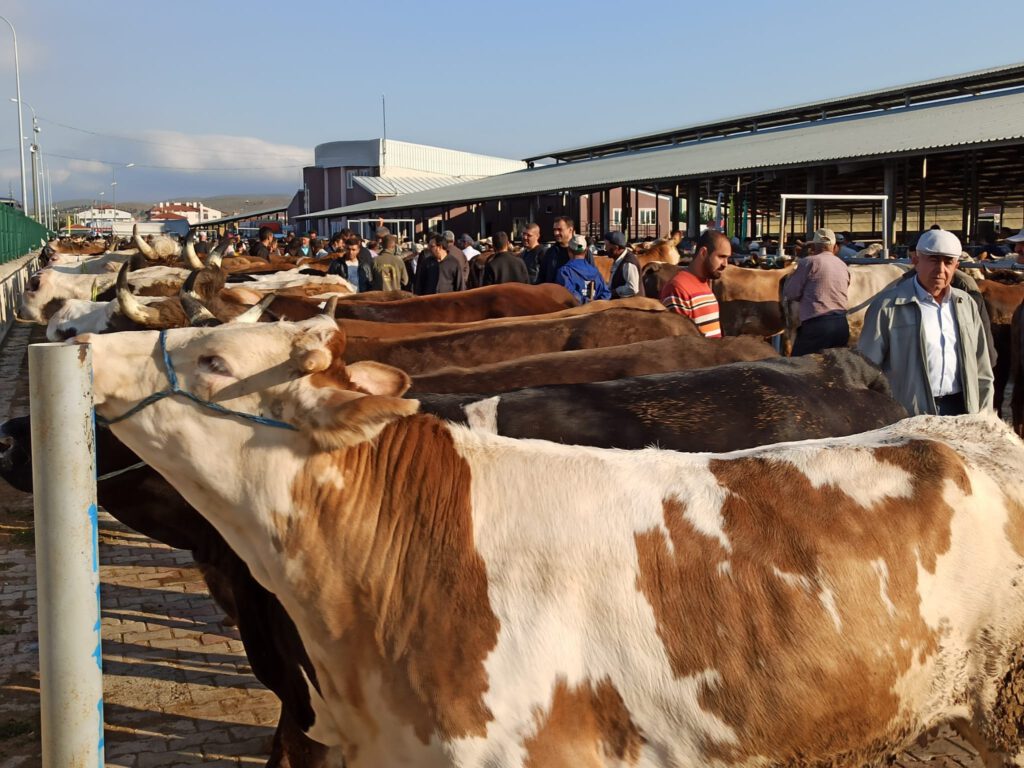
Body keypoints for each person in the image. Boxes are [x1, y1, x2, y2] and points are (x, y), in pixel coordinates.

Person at [858, 229, 994, 416]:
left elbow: (982, 366)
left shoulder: (965, 304)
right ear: (916, 260)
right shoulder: (888, 306)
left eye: (948, 262)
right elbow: (867, 369)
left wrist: (984, 414)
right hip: (909, 414)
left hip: (961, 410)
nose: (940, 269)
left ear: (956, 266)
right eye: (933, 260)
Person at [782, 227, 850, 355]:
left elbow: (791, 293)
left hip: (817, 325)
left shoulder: (808, 262)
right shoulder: (842, 265)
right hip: (841, 324)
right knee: (835, 364)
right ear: (835, 246)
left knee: (801, 363)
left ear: (814, 246)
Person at [659, 229, 730, 338]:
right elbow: (679, 342)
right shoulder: (677, 289)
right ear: (703, 253)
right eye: (721, 257)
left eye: (727, 258)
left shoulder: (705, 283)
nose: (725, 264)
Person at [539, 216, 593, 284]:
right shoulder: (550, 252)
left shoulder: (583, 251)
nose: (556, 233)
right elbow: (542, 277)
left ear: (570, 230)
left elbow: (592, 275)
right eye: (554, 230)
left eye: (559, 229)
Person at [557, 235, 610, 304]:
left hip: (575, 310)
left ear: (569, 250)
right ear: (586, 250)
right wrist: (596, 304)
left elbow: (568, 294)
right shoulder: (595, 272)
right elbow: (606, 294)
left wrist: (584, 301)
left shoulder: (564, 272)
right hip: (596, 309)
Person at [604, 231, 640, 299]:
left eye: (607, 246)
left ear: (616, 248)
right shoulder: (619, 260)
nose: (605, 249)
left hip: (630, 304)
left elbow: (632, 288)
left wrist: (613, 292)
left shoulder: (628, 263)